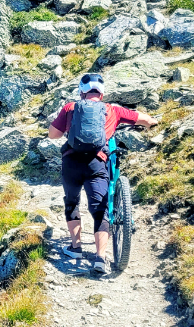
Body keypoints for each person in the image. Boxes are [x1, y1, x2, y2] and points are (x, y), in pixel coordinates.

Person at [48, 72, 158, 273]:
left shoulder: (70, 107)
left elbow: (53, 135)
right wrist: (153, 122)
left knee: (72, 202)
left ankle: (76, 248)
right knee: (100, 210)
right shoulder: (112, 110)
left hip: (71, 162)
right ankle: (100, 258)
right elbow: (145, 120)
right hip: (97, 164)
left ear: (81, 92)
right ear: (102, 93)